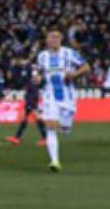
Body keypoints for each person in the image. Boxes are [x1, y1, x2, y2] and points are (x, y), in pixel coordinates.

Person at [35, 29, 89, 172]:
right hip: (49, 95)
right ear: (47, 40)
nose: (55, 40)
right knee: (51, 127)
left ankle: (65, 127)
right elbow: (38, 72)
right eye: (52, 37)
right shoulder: (42, 56)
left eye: (57, 37)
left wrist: (74, 75)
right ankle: (55, 161)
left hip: (67, 97)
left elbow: (86, 67)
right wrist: (37, 78)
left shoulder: (69, 53)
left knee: (65, 127)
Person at [6, 61, 48, 147]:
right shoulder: (31, 73)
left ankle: (45, 138)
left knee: (36, 117)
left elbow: (37, 80)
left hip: (32, 97)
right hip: (30, 96)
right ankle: (17, 138)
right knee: (25, 118)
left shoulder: (32, 73)